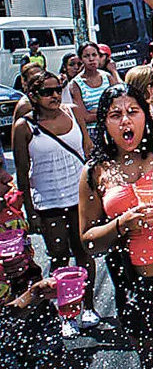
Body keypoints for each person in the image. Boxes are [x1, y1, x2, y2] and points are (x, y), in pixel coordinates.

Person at [78, 84, 153, 368]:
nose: (125, 121)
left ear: (146, 117)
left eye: (133, 112)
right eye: (115, 115)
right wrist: (120, 225)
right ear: (103, 122)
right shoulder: (95, 172)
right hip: (139, 288)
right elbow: (88, 241)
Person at [12, 70, 97, 338]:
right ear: (33, 97)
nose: (54, 95)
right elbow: (22, 172)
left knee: (84, 252)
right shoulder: (24, 127)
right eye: (47, 92)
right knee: (59, 257)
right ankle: (67, 312)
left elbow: (88, 150)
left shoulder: (73, 113)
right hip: (48, 202)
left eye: (57, 89)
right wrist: (30, 211)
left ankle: (88, 307)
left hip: (79, 198)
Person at [69, 42, 115, 134]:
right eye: (86, 56)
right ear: (81, 59)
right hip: (93, 131)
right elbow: (84, 117)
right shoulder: (76, 84)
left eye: (94, 55)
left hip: (112, 127)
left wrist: (94, 112)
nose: (91, 59)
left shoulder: (107, 77)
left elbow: (118, 103)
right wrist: (108, 112)